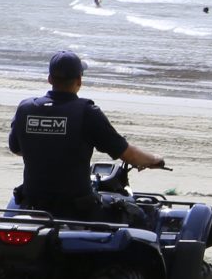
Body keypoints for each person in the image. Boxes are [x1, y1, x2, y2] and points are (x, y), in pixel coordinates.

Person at [10, 50, 164, 221]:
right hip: (77, 209)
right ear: (79, 81)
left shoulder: (26, 108)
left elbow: (17, 149)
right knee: (140, 216)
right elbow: (128, 154)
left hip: (34, 204)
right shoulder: (86, 112)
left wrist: (46, 145)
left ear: (50, 79)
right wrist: (154, 159)